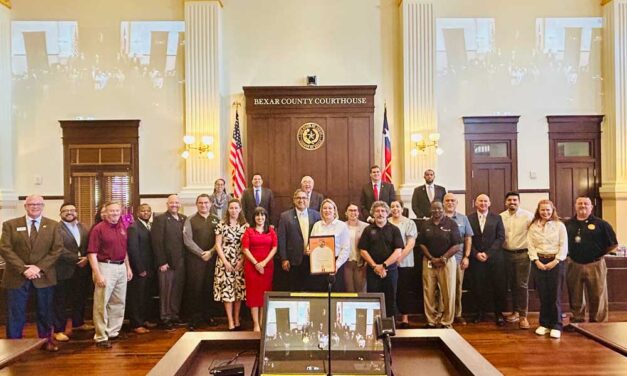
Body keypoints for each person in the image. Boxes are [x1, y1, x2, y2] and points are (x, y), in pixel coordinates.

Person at [0, 195, 63, 352]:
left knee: (45, 311)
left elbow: (57, 250)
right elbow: (5, 249)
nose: (35, 206)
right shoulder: (10, 225)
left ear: (43, 206)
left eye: (38, 204)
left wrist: (38, 268)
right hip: (16, 276)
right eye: (31, 204)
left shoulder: (53, 225)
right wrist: (24, 269)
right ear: (25, 206)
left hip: (44, 276)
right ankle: (14, 346)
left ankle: (46, 341)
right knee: (16, 313)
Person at [87, 201, 133, 349]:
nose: (114, 214)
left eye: (117, 211)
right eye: (111, 211)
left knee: (118, 302)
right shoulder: (98, 229)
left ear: (121, 212)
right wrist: (97, 274)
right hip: (105, 267)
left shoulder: (122, 227)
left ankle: (113, 332)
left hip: (120, 267)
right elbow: (91, 254)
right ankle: (101, 336)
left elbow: (124, 250)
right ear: (105, 213)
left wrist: (128, 267)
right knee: (101, 303)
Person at [565, 197, 617, 323]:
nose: (583, 205)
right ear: (575, 206)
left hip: (595, 264)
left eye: (586, 203)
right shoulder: (567, 224)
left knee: (597, 295)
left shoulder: (602, 224)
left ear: (591, 207)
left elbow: (613, 244)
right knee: (575, 294)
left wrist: (598, 255)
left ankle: (598, 322)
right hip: (574, 264)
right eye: (580, 203)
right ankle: (577, 320)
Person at [527, 199, 568, 339]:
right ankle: (544, 324)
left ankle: (556, 325)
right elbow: (530, 245)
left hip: (556, 262)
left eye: (548, 210)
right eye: (542, 210)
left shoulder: (559, 226)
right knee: (543, 294)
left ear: (552, 210)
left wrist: (555, 261)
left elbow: (564, 246)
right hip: (538, 261)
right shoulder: (533, 226)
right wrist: (536, 260)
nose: (545, 212)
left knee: (554, 295)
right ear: (538, 211)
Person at [53, 202, 91, 343]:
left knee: (79, 298)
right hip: (63, 270)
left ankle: (78, 323)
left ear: (76, 212)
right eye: (65, 211)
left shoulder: (82, 227)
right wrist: (77, 259)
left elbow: (87, 246)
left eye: (72, 210)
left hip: (82, 270)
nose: (69, 213)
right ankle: (59, 330)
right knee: (61, 301)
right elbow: (58, 249)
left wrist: (86, 258)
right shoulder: (56, 228)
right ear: (60, 214)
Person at [419, 201, 461, 328]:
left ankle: (446, 321)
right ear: (430, 210)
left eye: (439, 209)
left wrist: (443, 258)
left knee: (448, 292)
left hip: (447, 262)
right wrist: (431, 258)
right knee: (428, 291)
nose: (436, 211)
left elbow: (457, 245)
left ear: (443, 209)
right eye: (434, 209)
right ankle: (431, 320)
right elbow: (421, 244)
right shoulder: (425, 224)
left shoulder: (451, 223)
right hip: (429, 261)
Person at [358, 201, 404, 317]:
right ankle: (373, 327)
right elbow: (363, 251)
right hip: (373, 271)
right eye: (377, 211)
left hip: (390, 270)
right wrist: (375, 266)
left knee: (390, 299)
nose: (380, 213)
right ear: (373, 213)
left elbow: (398, 250)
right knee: (373, 299)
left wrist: (383, 266)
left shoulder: (394, 230)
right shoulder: (368, 230)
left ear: (387, 213)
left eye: (383, 211)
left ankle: (390, 328)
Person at [467, 194, 506, 326]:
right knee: (478, 287)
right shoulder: (469, 218)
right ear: (475, 203)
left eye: (485, 201)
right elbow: (467, 239)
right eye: (480, 201)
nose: (483, 203)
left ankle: (498, 314)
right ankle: (479, 313)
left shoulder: (497, 218)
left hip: (495, 259)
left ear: (489, 203)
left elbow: (500, 238)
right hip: (476, 259)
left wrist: (488, 254)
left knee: (498, 287)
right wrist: (476, 253)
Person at [182, 194, 220, 330]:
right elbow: (187, 240)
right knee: (195, 289)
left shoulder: (216, 219)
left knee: (208, 288)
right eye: (200, 203)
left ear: (210, 204)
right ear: (196, 204)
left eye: (206, 203)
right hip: (195, 261)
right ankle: (194, 318)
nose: (203, 205)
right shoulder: (190, 219)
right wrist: (201, 253)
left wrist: (210, 252)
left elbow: (220, 241)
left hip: (211, 259)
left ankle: (208, 315)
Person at [151, 194, 187, 330]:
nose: (174, 205)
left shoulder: (183, 219)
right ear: (167, 204)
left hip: (181, 261)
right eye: (172, 203)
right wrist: (162, 262)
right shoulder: (160, 219)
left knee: (177, 290)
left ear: (180, 204)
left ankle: (174, 315)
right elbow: (157, 242)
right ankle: (165, 317)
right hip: (166, 263)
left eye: (177, 203)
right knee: (166, 290)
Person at [500, 192, 534, 329]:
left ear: (519, 202)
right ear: (505, 202)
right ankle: (514, 312)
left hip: (523, 255)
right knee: (512, 284)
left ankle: (523, 316)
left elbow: (533, 234)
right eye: (509, 200)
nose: (512, 202)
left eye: (515, 200)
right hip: (506, 254)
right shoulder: (501, 217)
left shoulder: (528, 216)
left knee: (522, 285)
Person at [277, 189, 321, 291]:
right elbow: (282, 238)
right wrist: (284, 258)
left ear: (308, 200)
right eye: (298, 198)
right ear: (294, 200)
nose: (301, 200)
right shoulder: (285, 216)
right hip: (293, 260)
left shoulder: (316, 215)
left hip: (312, 260)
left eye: (304, 198)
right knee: (295, 290)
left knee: (311, 290)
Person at [241, 207, 277, 331]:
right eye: (257, 215)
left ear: (266, 217)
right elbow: (245, 249)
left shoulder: (271, 231)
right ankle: (256, 323)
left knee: (264, 294)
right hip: (252, 267)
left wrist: (264, 263)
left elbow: (274, 248)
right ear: (254, 218)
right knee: (253, 295)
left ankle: (263, 322)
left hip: (267, 267)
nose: (260, 218)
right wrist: (256, 264)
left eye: (262, 215)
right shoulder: (248, 231)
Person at [214, 198, 248, 330]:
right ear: (228, 210)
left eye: (236, 208)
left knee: (238, 292)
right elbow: (217, 245)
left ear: (240, 209)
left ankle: (237, 318)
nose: (234, 210)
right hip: (225, 262)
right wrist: (225, 262)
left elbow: (248, 246)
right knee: (228, 293)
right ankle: (230, 321)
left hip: (240, 261)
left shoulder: (245, 226)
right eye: (231, 208)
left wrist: (242, 260)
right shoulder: (221, 224)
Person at [442, 193, 473, 325]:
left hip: (459, 258)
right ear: (443, 203)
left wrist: (466, 256)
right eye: (447, 200)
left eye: (452, 201)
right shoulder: (438, 218)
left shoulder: (463, 218)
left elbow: (468, 238)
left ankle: (457, 314)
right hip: (442, 259)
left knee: (457, 287)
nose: (450, 203)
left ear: (456, 203)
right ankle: (443, 313)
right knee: (441, 287)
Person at [126, 203, 156, 334]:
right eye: (143, 211)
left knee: (146, 296)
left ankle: (144, 320)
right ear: (138, 213)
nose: (146, 213)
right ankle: (136, 323)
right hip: (140, 268)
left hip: (150, 268)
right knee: (137, 297)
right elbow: (133, 250)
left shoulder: (149, 226)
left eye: (148, 211)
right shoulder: (134, 227)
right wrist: (139, 268)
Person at [309, 198, 350, 291]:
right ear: (321, 211)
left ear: (334, 211)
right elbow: (311, 243)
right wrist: (309, 249)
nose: (327, 211)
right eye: (325, 208)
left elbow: (346, 249)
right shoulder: (317, 225)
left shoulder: (342, 226)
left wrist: (337, 265)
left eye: (330, 208)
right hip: (318, 264)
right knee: (319, 292)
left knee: (335, 293)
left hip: (335, 265)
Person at [388, 200, 418, 328]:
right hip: (389, 262)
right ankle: (391, 317)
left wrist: (399, 258)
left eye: (397, 206)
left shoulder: (409, 222)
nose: (395, 209)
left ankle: (405, 318)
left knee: (403, 290)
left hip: (405, 262)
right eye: (392, 207)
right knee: (390, 290)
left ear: (402, 208)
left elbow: (411, 243)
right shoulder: (386, 221)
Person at [343, 203, 369, 293]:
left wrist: (367, 262)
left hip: (360, 263)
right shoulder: (341, 226)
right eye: (350, 210)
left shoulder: (366, 227)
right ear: (346, 213)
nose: (353, 212)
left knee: (361, 290)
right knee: (349, 290)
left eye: (355, 210)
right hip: (346, 263)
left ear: (358, 213)